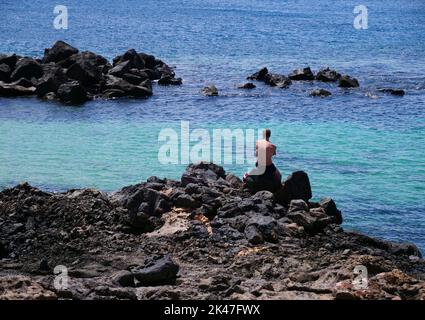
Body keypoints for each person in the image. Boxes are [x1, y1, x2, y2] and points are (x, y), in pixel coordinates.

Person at [243, 129, 282, 193]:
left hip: (260, 165)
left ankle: (248, 178)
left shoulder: (258, 142)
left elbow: (256, 154)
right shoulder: (273, 146)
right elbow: (273, 154)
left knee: (247, 175)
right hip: (270, 166)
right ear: (270, 135)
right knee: (279, 175)